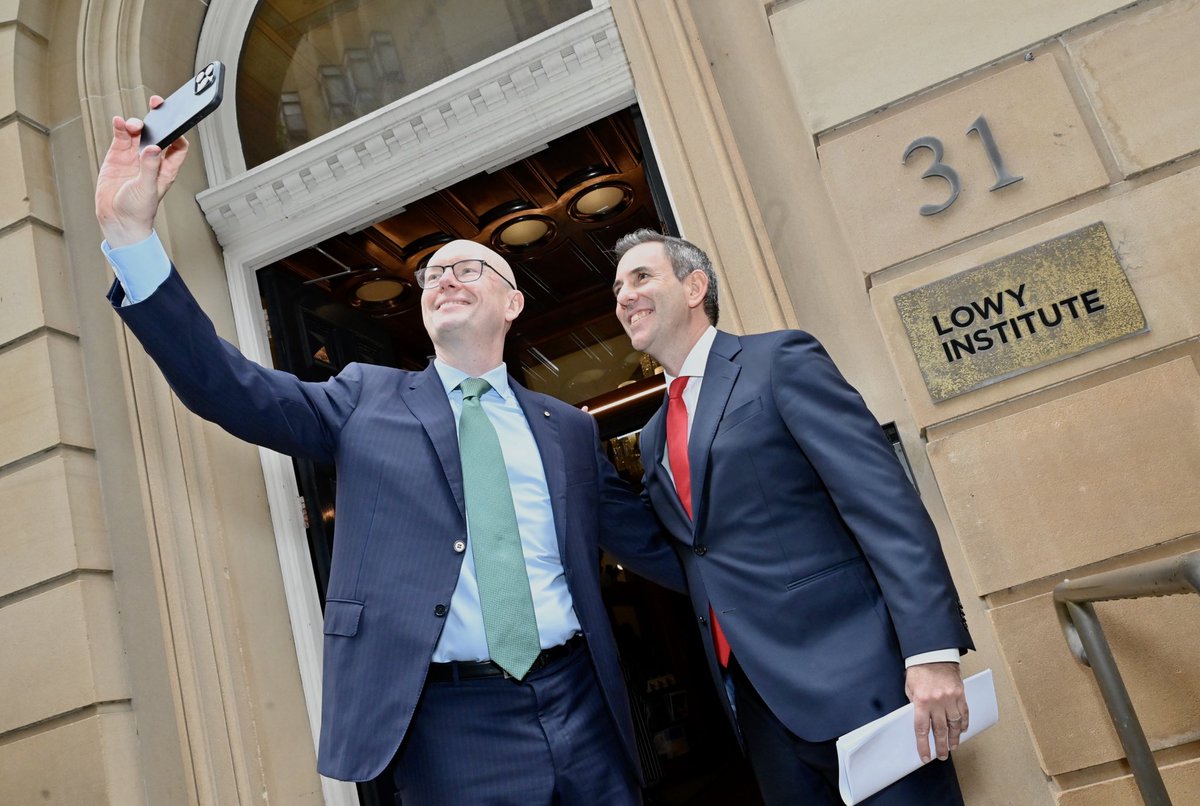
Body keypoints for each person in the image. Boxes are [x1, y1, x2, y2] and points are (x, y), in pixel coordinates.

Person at [94, 104, 685, 805]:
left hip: (583, 702)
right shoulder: (362, 400)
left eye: (470, 268)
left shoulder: (567, 429)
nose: (445, 278)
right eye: (433, 274)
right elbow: (230, 389)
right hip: (451, 727)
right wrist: (130, 235)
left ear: (515, 304)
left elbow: (652, 541)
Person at [611, 229, 974, 805]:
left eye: (641, 278)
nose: (624, 297)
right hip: (759, 711)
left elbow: (884, 508)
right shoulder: (655, 434)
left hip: (864, 686)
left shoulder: (778, 360)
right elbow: (690, 554)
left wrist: (931, 654)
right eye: (617, 288)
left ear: (694, 286)